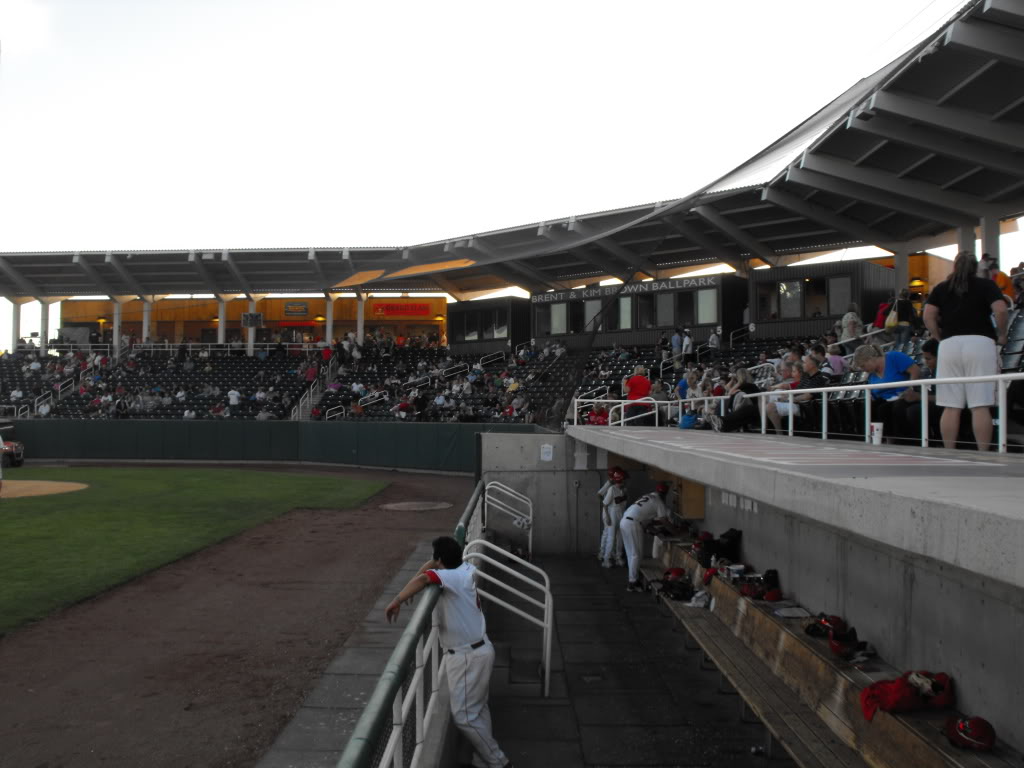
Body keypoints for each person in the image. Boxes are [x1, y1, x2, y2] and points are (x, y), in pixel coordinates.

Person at [385, 536, 512, 768]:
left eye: (436, 558)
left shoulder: (449, 577)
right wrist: (425, 572)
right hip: (481, 649)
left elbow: (425, 577)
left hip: (466, 656)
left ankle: (499, 762)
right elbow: (429, 570)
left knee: (464, 716)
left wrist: (397, 599)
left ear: (440, 559)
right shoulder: (464, 568)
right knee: (479, 709)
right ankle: (484, 759)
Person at [924, 251, 1009, 451]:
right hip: (980, 342)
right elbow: (1001, 310)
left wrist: (938, 336)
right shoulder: (986, 285)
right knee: (980, 403)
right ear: (975, 267)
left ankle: (949, 452)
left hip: (949, 345)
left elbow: (928, 315)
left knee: (950, 405)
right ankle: (983, 452)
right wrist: (1002, 334)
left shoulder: (942, 288)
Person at [851, 344, 922, 442]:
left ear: (871, 359)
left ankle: (903, 441)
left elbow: (915, 370)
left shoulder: (894, 357)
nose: (863, 369)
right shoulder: (872, 375)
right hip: (886, 399)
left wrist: (910, 389)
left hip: (903, 395)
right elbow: (875, 394)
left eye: (863, 365)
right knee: (867, 407)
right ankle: (870, 439)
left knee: (890, 408)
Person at [619, 483, 671, 592]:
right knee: (636, 555)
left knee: (631, 554)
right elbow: (664, 521)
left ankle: (633, 579)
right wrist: (675, 531)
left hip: (624, 521)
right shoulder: (659, 500)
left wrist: (656, 532)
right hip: (633, 524)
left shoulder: (647, 496)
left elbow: (647, 522)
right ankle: (632, 583)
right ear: (665, 494)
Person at [763, 355, 830, 434]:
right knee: (771, 401)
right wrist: (787, 396)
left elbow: (807, 396)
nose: (803, 365)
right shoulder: (806, 376)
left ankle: (779, 433)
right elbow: (798, 390)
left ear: (812, 365)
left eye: (805, 362)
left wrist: (789, 399)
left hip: (805, 407)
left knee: (770, 407)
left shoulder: (818, 378)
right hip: (797, 404)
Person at [598, 467, 628, 568]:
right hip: (612, 514)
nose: (625, 481)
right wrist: (607, 517)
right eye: (624, 479)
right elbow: (605, 504)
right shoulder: (612, 489)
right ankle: (606, 559)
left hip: (621, 514)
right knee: (610, 537)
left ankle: (618, 557)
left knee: (620, 538)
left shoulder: (624, 489)